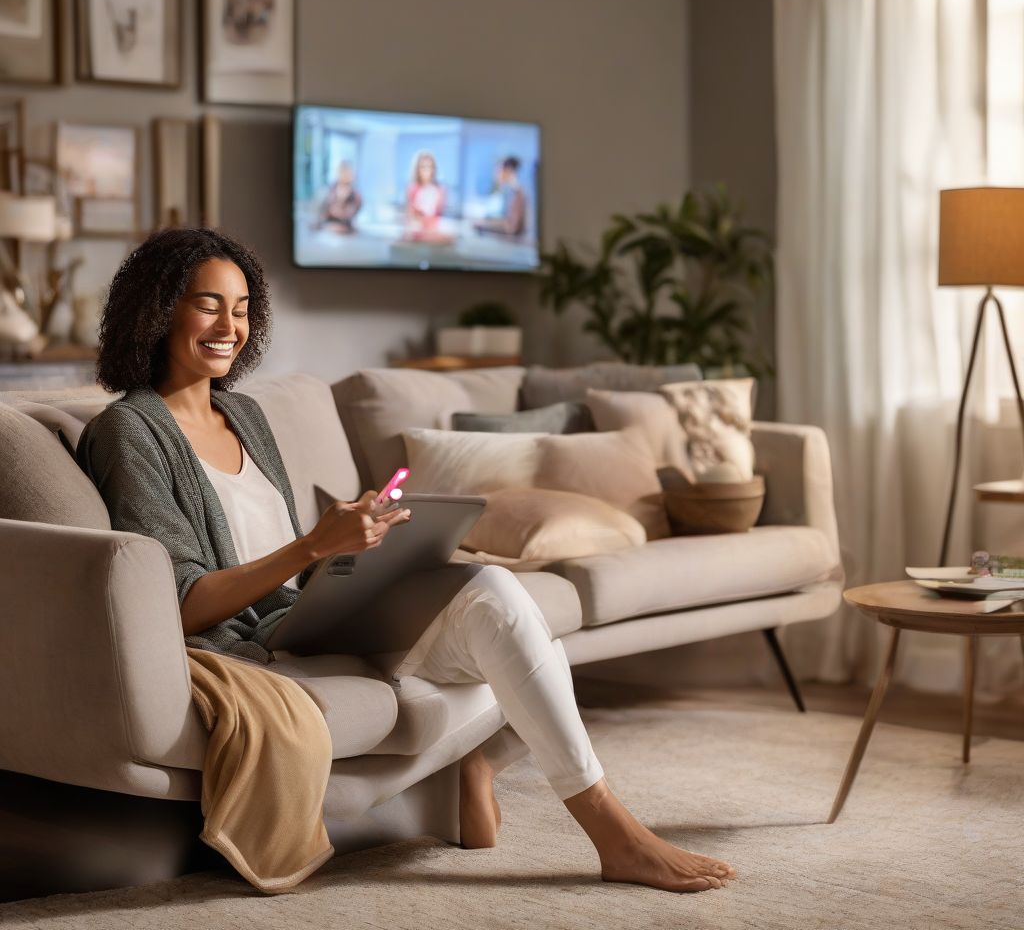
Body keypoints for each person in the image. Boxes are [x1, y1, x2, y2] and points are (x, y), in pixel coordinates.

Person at [76, 227, 737, 894]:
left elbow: (284, 556)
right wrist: (315, 546)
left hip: (311, 613)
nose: (230, 325)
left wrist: (361, 550)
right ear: (159, 310)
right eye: (208, 304)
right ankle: (614, 834)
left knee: (510, 608)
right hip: (254, 645)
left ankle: (475, 769)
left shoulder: (242, 413)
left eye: (243, 307)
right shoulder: (129, 431)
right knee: (502, 620)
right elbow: (184, 601)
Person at [474, 156, 528, 237]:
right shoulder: (508, 191)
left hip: (512, 244)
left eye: (498, 171)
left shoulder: (516, 193)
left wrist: (485, 224)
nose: (496, 175)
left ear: (509, 170)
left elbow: (511, 227)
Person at [403, 150, 450, 242]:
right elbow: (410, 217)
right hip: (416, 233)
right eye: (423, 167)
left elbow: (438, 214)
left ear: (434, 169)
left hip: (434, 232)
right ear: (417, 169)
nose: (426, 170)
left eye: (429, 167)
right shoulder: (412, 189)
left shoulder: (440, 190)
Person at [314, 160, 363, 234]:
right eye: (344, 172)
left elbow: (351, 215)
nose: (348, 175)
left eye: (349, 173)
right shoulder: (326, 193)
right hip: (326, 234)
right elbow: (319, 216)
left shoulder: (356, 197)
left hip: (347, 234)